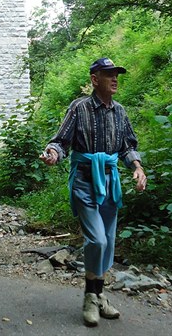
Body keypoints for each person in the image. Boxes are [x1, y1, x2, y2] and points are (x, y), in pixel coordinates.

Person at [40, 57, 147, 327]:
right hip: (85, 182)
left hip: (110, 183)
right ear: (94, 79)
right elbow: (61, 141)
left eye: (116, 74)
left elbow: (127, 146)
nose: (115, 79)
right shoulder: (80, 108)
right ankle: (90, 296)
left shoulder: (120, 111)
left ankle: (100, 296)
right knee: (97, 240)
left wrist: (137, 167)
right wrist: (53, 154)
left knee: (108, 243)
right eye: (108, 74)